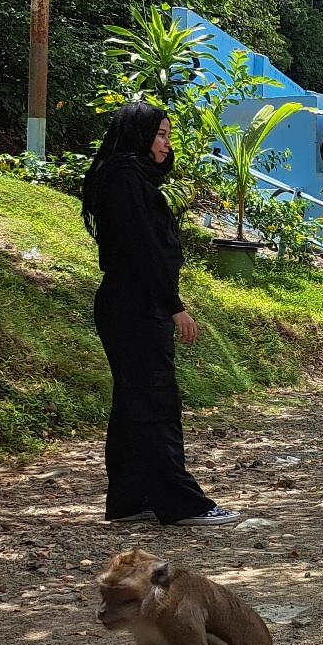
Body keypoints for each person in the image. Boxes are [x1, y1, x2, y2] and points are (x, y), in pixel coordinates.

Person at [81, 102, 242, 526]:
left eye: (168, 135)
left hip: (132, 301)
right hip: (135, 304)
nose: (167, 144)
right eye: (160, 134)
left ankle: (129, 499)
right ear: (138, 135)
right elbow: (143, 250)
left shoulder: (130, 177)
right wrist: (175, 307)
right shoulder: (125, 179)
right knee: (154, 400)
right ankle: (183, 503)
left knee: (132, 401)